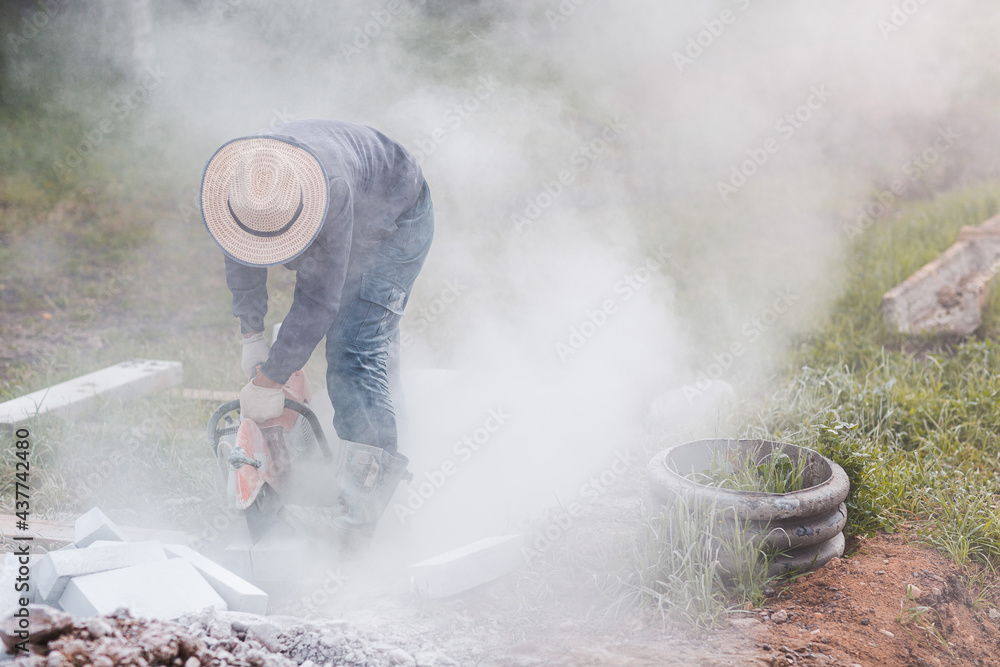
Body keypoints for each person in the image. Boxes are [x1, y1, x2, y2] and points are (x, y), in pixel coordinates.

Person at [200, 119, 433, 548]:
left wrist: (271, 380)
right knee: (368, 345)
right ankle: (380, 458)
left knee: (353, 351)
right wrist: (252, 336)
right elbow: (241, 258)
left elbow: (318, 302)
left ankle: (359, 518)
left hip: (396, 220)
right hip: (354, 207)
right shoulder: (247, 185)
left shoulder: (328, 188)